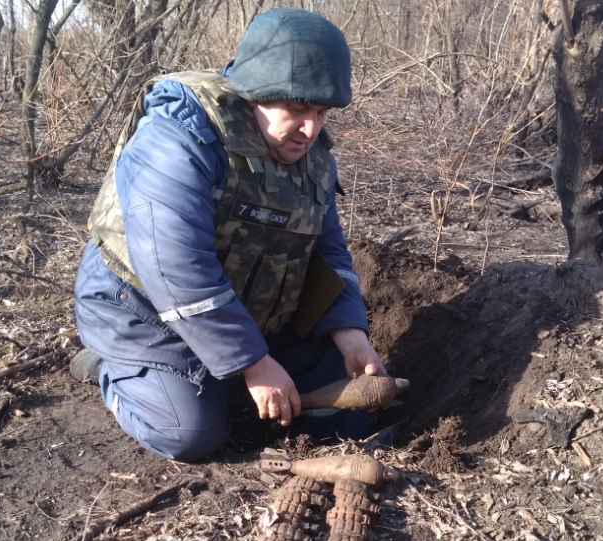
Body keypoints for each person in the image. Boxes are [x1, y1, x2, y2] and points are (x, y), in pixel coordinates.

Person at [72, 7, 386, 462]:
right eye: (298, 108)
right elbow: (173, 265)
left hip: (244, 303)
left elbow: (328, 249)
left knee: (342, 421)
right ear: (256, 91)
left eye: (321, 111)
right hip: (141, 308)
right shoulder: (180, 134)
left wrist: (349, 331)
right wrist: (254, 364)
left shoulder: (313, 154)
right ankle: (110, 367)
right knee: (189, 434)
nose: (311, 128)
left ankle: (220, 368)